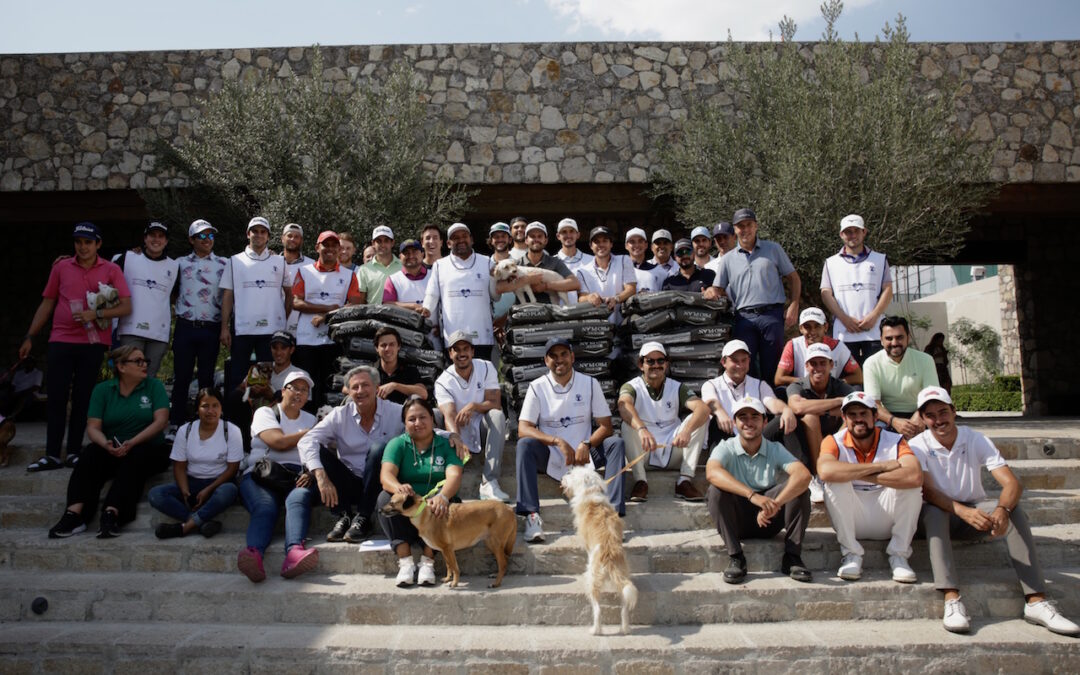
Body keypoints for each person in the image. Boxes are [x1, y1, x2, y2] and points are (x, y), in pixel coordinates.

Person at [909, 386, 1079, 636]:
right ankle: (951, 598)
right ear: (923, 420)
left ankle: (1035, 601)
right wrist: (962, 511)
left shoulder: (975, 438)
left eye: (943, 412)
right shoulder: (917, 444)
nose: (938, 420)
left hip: (973, 513)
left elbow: (1012, 483)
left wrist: (1002, 509)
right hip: (938, 516)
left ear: (954, 412)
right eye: (930, 415)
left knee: (1014, 509)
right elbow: (928, 492)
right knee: (934, 511)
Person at [22, 222, 132, 472]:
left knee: (83, 398)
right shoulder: (61, 267)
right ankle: (51, 454)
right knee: (56, 398)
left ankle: (73, 452)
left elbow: (126, 307)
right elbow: (47, 304)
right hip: (60, 340)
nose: (83, 247)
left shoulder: (111, 269)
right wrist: (30, 336)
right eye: (78, 242)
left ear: (98, 244)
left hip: (93, 344)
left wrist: (96, 313)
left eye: (88, 242)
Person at [47, 345, 169, 538]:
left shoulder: (154, 387)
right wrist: (105, 444)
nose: (144, 364)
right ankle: (74, 515)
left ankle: (112, 513)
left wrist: (132, 442)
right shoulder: (103, 390)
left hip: (148, 447)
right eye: (138, 361)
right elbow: (93, 427)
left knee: (136, 457)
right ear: (121, 366)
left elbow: (161, 422)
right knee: (89, 455)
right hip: (112, 446)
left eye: (145, 361)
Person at [515, 338, 625, 544]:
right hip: (552, 455)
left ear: (572, 357)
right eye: (553, 356)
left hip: (584, 456)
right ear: (546, 361)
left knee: (616, 444)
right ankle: (531, 516)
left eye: (564, 354)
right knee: (524, 445)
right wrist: (556, 441)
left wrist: (587, 443)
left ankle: (613, 517)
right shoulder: (537, 387)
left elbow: (606, 425)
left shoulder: (590, 383)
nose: (559, 360)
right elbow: (523, 428)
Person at [817, 391, 923, 584]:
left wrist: (852, 473)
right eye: (852, 415)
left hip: (886, 514)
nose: (858, 419)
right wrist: (880, 467)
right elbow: (825, 472)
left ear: (875, 416)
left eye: (863, 414)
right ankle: (851, 554)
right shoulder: (833, 441)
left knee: (911, 487)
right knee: (834, 482)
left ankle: (899, 556)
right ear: (844, 418)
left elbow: (914, 475)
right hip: (852, 518)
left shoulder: (895, 440)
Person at [705, 396, 813, 584]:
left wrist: (774, 504)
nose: (748, 422)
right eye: (743, 417)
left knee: (801, 489)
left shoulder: (775, 448)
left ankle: (793, 557)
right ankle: (736, 556)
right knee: (715, 491)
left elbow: (803, 475)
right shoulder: (726, 447)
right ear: (734, 422)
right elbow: (712, 472)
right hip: (738, 518)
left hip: (769, 517)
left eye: (754, 417)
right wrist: (752, 496)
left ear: (765, 422)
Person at [297, 366, 405, 543]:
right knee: (319, 451)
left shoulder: (395, 411)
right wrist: (320, 475)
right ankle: (344, 515)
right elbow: (306, 441)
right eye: (355, 387)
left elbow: (423, 426)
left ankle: (363, 517)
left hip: (380, 483)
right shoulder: (340, 414)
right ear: (348, 391)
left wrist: (451, 435)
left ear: (377, 387)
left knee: (379, 449)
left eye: (365, 385)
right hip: (350, 483)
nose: (360, 391)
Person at [236, 371, 322, 582]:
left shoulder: (311, 418)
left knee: (298, 498)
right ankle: (253, 554)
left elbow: (319, 452)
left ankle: (294, 552)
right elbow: (279, 442)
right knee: (265, 506)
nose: (300, 394)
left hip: (296, 475)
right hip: (262, 474)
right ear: (284, 391)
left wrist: (311, 472)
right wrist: (311, 431)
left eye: (305, 390)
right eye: (295, 388)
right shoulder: (266, 412)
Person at [377, 396, 465, 587]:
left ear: (433, 419)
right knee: (385, 498)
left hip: (434, 512)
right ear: (404, 423)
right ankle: (406, 562)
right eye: (411, 419)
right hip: (408, 512)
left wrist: (442, 496)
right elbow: (386, 476)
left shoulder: (446, 444)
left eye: (423, 417)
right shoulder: (397, 444)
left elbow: (454, 476)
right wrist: (397, 487)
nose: (418, 423)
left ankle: (428, 561)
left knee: (452, 500)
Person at [709, 208, 801, 379]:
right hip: (744, 318)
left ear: (756, 226)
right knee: (744, 367)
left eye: (748, 225)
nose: (745, 230)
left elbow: (794, 278)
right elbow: (718, 289)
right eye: (740, 226)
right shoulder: (728, 259)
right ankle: (750, 404)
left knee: (773, 366)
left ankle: (774, 404)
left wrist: (794, 305)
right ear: (735, 231)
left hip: (772, 316)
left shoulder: (773, 249)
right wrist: (711, 292)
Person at [618, 342, 710, 502]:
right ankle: (640, 482)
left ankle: (684, 480)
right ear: (641, 364)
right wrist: (641, 429)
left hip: (672, 447)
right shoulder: (632, 386)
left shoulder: (676, 387)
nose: (656, 365)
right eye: (650, 361)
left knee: (699, 419)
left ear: (666, 364)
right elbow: (623, 404)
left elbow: (702, 408)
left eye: (660, 361)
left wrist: (686, 430)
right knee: (627, 425)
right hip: (644, 451)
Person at [219, 216, 293, 412]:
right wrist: (224, 327)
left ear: (268, 236)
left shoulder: (280, 261)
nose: (258, 235)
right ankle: (235, 421)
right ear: (248, 234)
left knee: (268, 381)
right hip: (242, 329)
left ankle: (264, 421)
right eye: (255, 231)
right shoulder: (234, 261)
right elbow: (228, 295)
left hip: (270, 330)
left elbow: (289, 294)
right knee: (238, 379)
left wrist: (281, 319)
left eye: (262, 232)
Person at [148, 388, 242, 539]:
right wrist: (185, 492)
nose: (210, 410)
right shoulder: (185, 430)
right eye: (205, 406)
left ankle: (185, 528)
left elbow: (232, 469)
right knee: (156, 494)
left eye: (215, 405)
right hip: (192, 483)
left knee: (229, 491)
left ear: (221, 408)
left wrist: (208, 490)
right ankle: (200, 523)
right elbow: (179, 466)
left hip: (218, 484)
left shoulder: (231, 431)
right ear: (197, 409)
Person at [435, 331, 508, 502]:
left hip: (482, 427)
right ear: (450, 353)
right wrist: (456, 438)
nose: (462, 354)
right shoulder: (443, 381)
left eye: (466, 349)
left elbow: (495, 403)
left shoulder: (486, 367)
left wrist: (474, 406)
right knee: (433, 415)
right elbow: (450, 414)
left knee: (497, 415)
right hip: (457, 429)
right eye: (457, 349)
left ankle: (489, 482)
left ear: (472, 352)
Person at [292, 231, 362, 407]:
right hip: (306, 340)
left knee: (330, 387)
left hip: (333, 340)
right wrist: (327, 308)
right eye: (326, 245)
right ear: (317, 247)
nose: (330, 249)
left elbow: (354, 304)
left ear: (339, 248)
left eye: (334, 245)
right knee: (306, 387)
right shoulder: (304, 272)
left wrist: (326, 316)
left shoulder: (349, 275)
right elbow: (296, 302)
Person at [170, 219, 227, 431]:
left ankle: (203, 422)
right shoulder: (179, 263)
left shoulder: (224, 263)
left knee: (206, 379)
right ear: (191, 239)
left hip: (210, 327)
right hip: (185, 326)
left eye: (210, 235)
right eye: (202, 236)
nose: (207, 240)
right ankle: (176, 423)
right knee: (181, 377)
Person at [701, 340, 800, 458]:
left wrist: (786, 410)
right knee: (714, 421)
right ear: (724, 362)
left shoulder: (759, 384)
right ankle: (718, 465)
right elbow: (710, 402)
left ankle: (801, 468)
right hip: (728, 438)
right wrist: (720, 412)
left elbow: (772, 403)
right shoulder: (711, 384)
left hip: (756, 437)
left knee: (785, 418)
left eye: (744, 360)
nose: (740, 365)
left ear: (749, 361)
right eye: (735, 361)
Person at [784, 342, 856, 502]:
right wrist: (837, 402)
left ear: (831, 365)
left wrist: (818, 408)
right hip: (806, 439)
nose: (818, 368)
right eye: (813, 364)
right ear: (806, 366)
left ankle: (837, 468)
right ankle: (819, 475)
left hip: (833, 435)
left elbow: (854, 406)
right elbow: (797, 406)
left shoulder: (840, 386)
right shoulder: (797, 385)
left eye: (822, 363)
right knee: (810, 417)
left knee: (851, 417)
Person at [820, 214, 893, 366]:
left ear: (864, 232)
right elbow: (826, 293)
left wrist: (874, 316)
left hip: (874, 332)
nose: (852, 235)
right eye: (848, 232)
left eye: (856, 231)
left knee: (876, 377)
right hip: (844, 333)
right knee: (849, 381)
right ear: (841, 234)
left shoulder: (880, 259)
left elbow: (888, 289)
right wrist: (844, 319)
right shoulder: (831, 263)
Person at [423, 223, 499, 361]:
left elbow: (495, 296)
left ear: (472, 239)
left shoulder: (487, 262)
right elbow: (432, 294)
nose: (461, 240)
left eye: (464, 236)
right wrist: (427, 310)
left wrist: (495, 278)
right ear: (448, 243)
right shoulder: (440, 265)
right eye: (455, 238)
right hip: (453, 338)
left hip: (481, 335)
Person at [114, 221, 179, 378]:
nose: (156, 240)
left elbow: (174, 296)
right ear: (145, 238)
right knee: (127, 377)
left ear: (166, 241)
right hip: (130, 329)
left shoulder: (175, 266)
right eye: (152, 235)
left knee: (148, 379)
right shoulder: (127, 258)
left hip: (158, 333)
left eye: (161, 236)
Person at [863, 315, 939, 438]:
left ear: (908, 338)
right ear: (881, 340)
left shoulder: (925, 360)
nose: (894, 343)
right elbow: (874, 404)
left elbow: (933, 396)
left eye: (899, 337)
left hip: (921, 412)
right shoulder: (871, 363)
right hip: (886, 417)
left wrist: (919, 415)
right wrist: (894, 421)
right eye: (889, 338)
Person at [774, 307, 862, 388]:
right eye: (807, 327)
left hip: (832, 391)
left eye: (817, 326)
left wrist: (833, 384)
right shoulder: (793, 345)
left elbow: (859, 377)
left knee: (856, 390)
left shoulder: (838, 346)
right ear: (801, 328)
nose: (812, 332)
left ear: (825, 327)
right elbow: (778, 379)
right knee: (781, 391)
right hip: (803, 390)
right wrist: (808, 382)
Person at [501, 221, 581, 306]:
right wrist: (526, 280)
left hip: (551, 315)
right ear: (526, 240)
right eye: (532, 236)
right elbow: (501, 287)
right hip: (523, 315)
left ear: (545, 240)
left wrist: (546, 286)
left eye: (540, 236)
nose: (536, 239)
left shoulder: (555, 262)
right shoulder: (516, 265)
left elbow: (574, 283)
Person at [575, 226, 637, 325]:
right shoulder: (582, 271)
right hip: (597, 327)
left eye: (605, 241)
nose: (601, 244)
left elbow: (631, 289)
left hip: (623, 325)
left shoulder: (624, 260)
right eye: (597, 242)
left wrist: (616, 299)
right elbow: (581, 298)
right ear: (591, 245)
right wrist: (589, 298)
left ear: (611, 244)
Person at [373, 326, 428, 405]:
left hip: (404, 415)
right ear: (376, 348)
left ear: (398, 346)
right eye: (383, 345)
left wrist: (395, 386)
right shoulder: (370, 372)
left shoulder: (409, 371)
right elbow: (350, 389)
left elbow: (423, 394)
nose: (388, 349)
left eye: (392, 344)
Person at [281, 222, 314, 336]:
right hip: (273, 323)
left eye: (296, 237)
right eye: (289, 236)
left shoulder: (312, 265)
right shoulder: (271, 262)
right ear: (282, 238)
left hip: (301, 326)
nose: (292, 239)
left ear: (302, 241)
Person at [357, 225, 402, 305]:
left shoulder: (403, 266)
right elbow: (360, 302)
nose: (383, 244)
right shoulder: (364, 270)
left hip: (400, 315)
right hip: (373, 316)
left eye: (386, 241)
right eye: (379, 241)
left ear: (392, 243)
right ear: (373, 244)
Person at [486, 223, 517, 324]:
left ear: (510, 239)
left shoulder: (518, 263)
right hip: (491, 322)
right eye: (496, 237)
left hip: (516, 320)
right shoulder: (485, 265)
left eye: (503, 236)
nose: (500, 240)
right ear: (491, 241)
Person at [624, 227, 659, 292]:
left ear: (646, 245)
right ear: (626, 246)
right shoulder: (620, 270)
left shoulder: (659, 271)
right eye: (632, 242)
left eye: (640, 241)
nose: (637, 245)